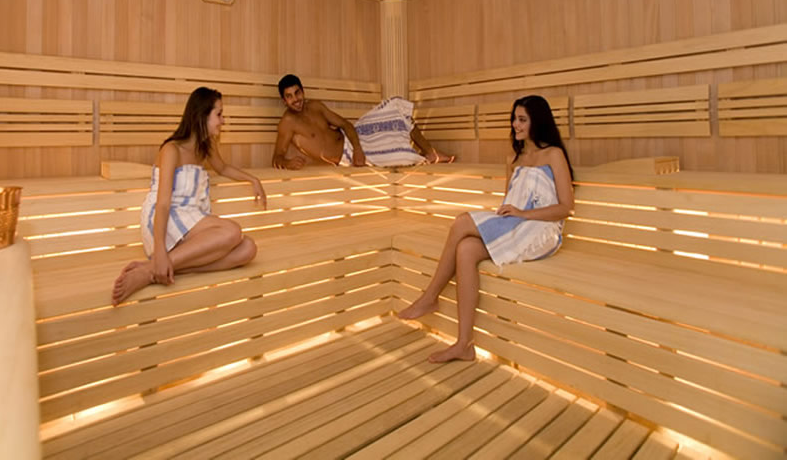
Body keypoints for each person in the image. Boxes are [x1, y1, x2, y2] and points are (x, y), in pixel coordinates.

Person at [397, 95, 573, 362]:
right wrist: (509, 216)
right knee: (466, 249)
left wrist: (523, 214)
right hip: (515, 224)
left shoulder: (553, 155)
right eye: (514, 119)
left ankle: (430, 297)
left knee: (462, 222)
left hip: (541, 230)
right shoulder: (514, 159)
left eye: (522, 119)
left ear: (538, 121)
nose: (515, 124)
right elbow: (509, 202)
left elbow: (566, 208)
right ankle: (464, 344)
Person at [111, 87, 267, 306]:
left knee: (248, 249)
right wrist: (159, 249)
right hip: (164, 221)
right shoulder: (172, 150)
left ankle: (155, 269)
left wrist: (253, 180)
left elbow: (222, 168)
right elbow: (163, 204)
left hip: (190, 219)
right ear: (202, 115)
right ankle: (155, 267)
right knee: (232, 231)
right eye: (219, 114)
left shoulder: (206, 147)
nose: (223, 121)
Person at [271, 74, 454, 169]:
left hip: (356, 140)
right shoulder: (288, 123)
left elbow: (345, 124)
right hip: (346, 158)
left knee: (397, 110)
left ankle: (430, 153)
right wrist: (287, 163)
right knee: (399, 157)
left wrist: (358, 148)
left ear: (303, 91)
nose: (295, 99)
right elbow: (276, 157)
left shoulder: (316, 106)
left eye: (297, 93)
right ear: (284, 101)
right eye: (289, 96)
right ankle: (425, 156)